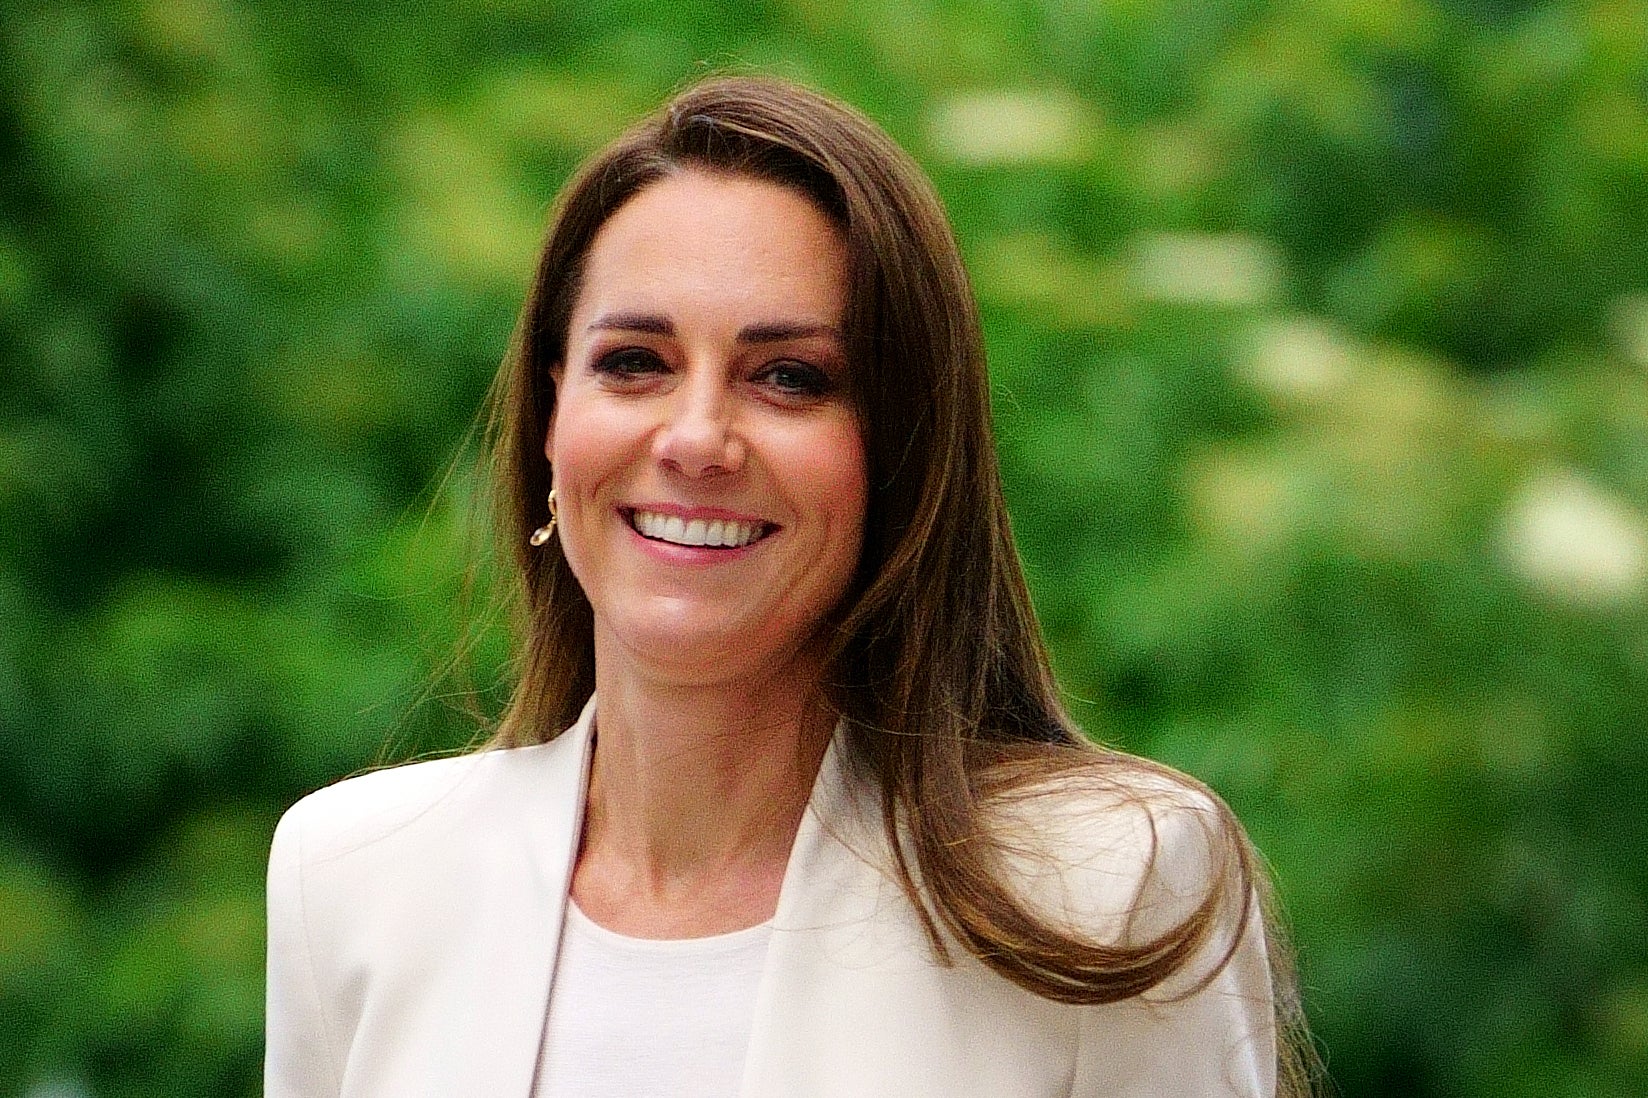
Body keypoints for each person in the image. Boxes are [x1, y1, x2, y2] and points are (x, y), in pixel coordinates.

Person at [264, 75, 1312, 1098]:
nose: (694, 438)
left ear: (900, 449)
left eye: (790, 377)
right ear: (551, 416)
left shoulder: (1105, 888)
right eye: (634, 361)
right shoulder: (354, 877)